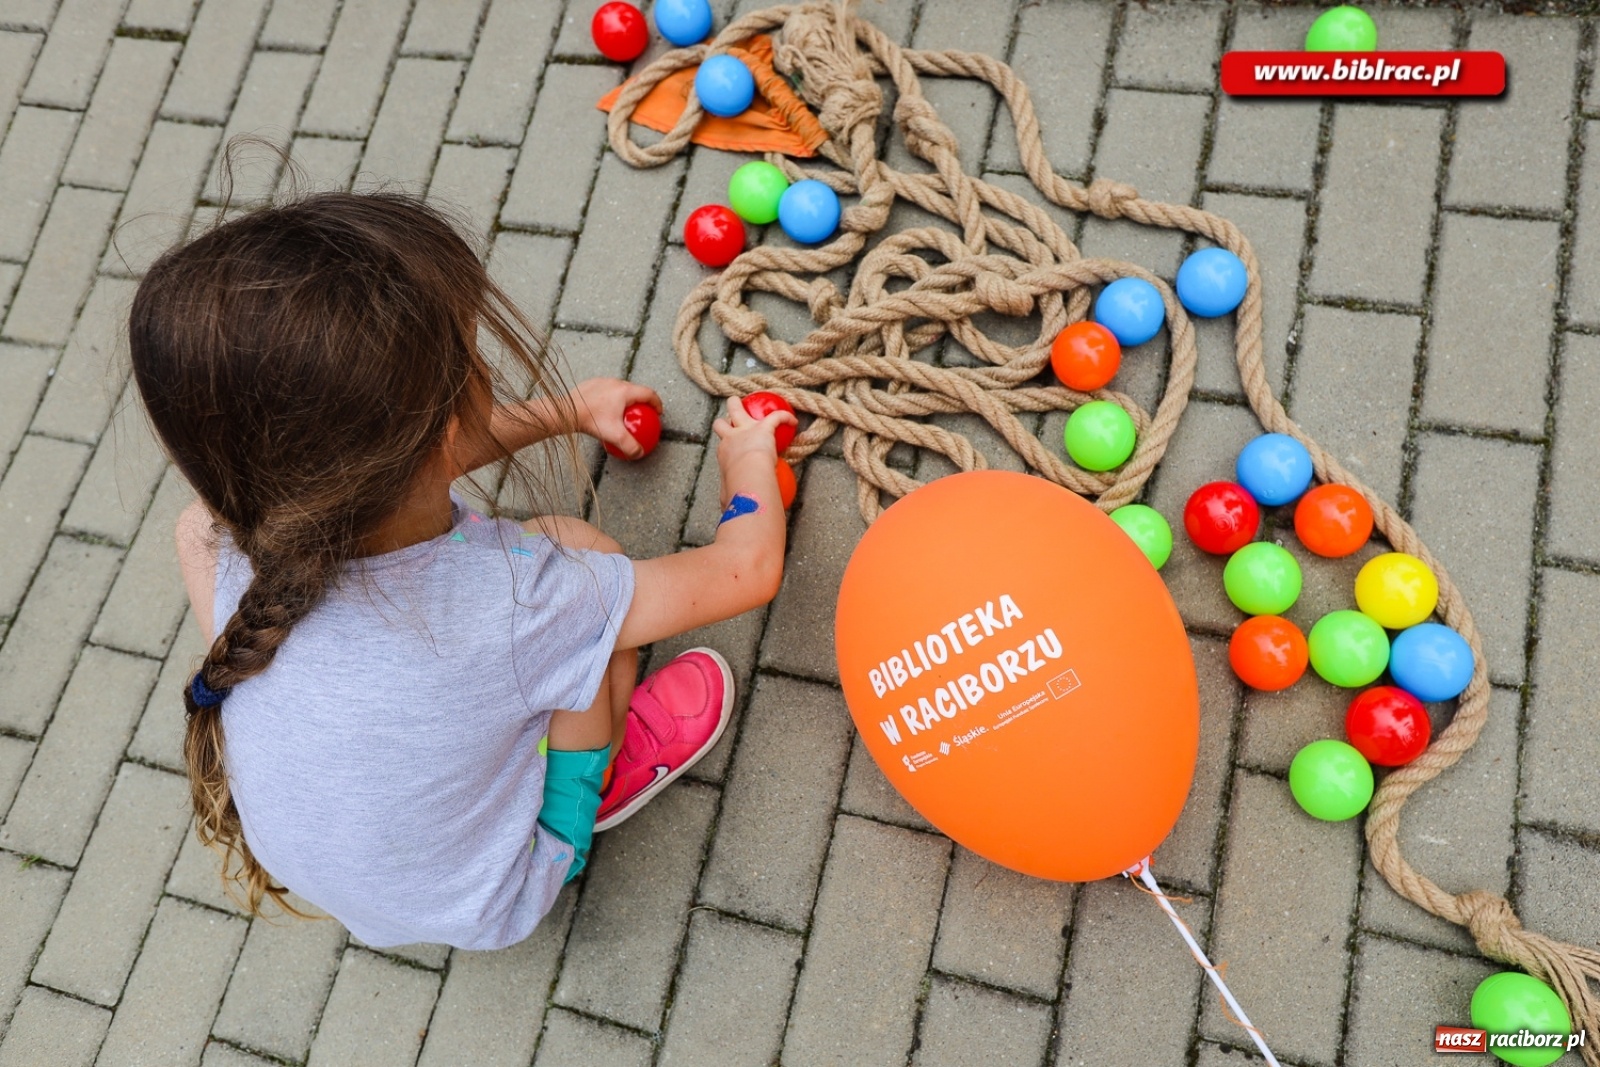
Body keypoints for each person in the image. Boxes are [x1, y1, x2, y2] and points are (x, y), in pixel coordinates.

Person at [128, 191, 794, 950]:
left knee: (555, 608)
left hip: (356, 886)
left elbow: (408, 458)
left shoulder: (210, 534)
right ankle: (594, 788)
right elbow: (748, 570)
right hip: (492, 897)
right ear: (444, 426)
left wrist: (571, 410)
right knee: (587, 560)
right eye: (471, 357)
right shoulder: (519, 604)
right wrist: (747, 462)